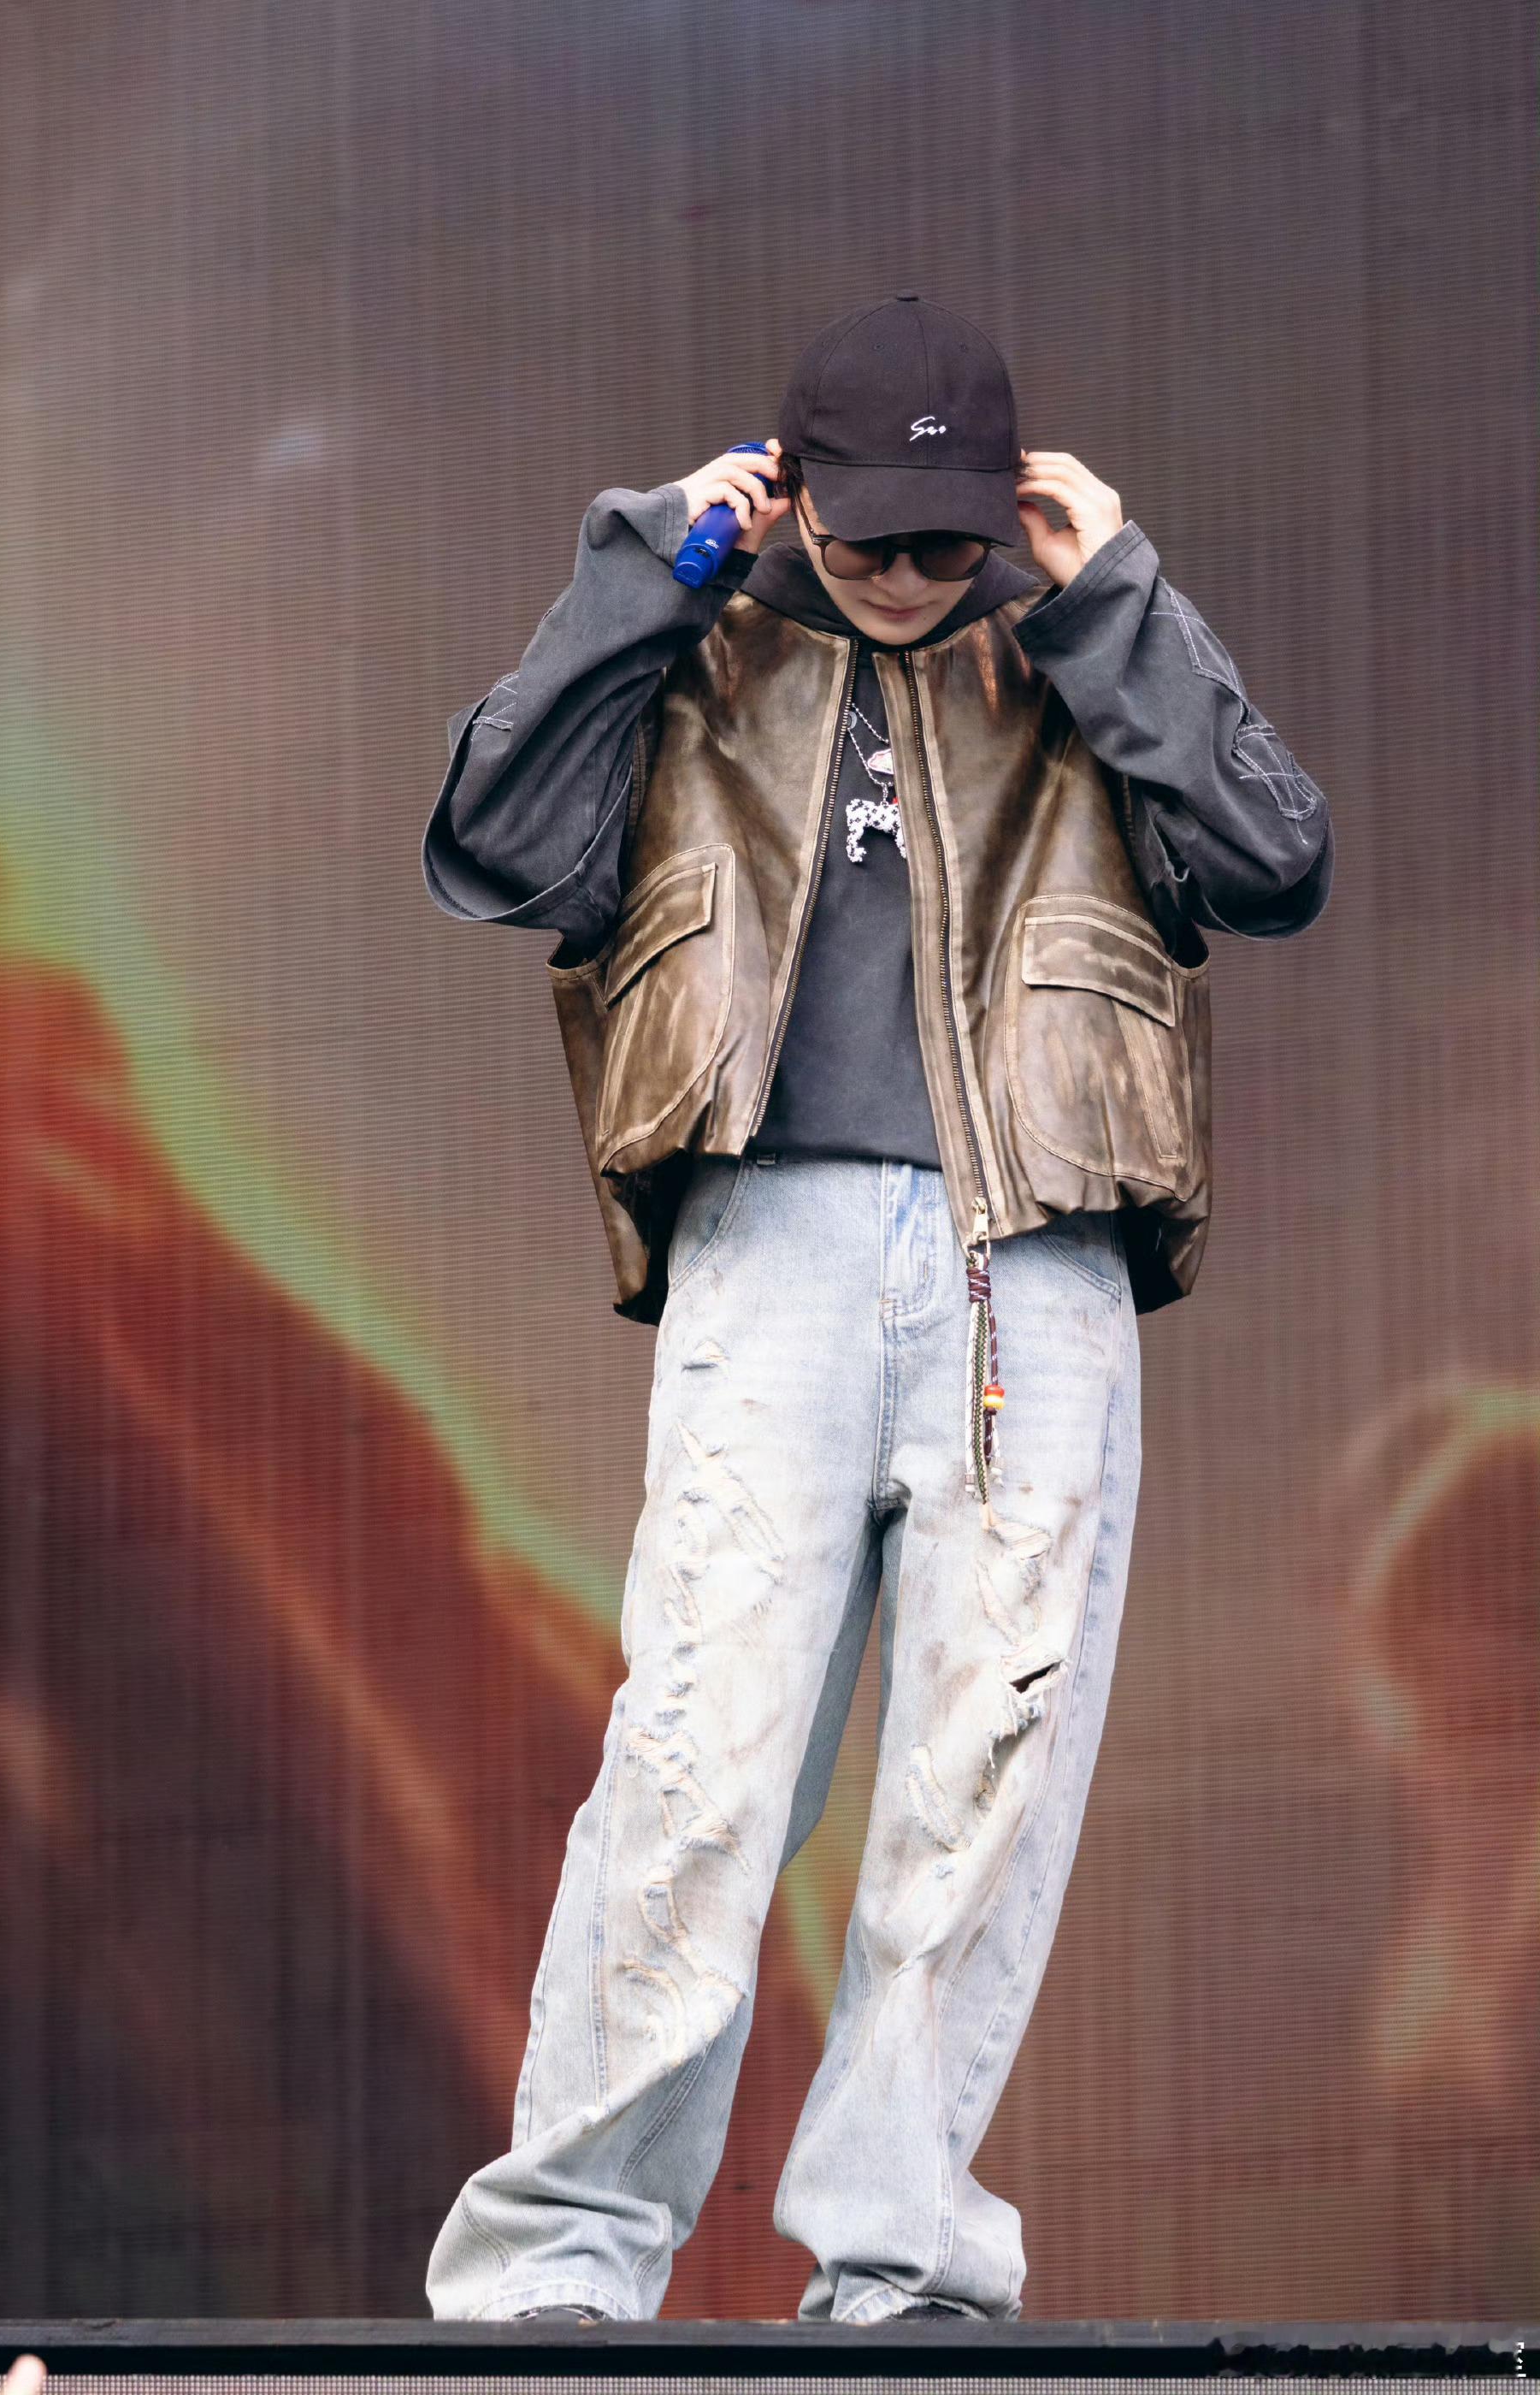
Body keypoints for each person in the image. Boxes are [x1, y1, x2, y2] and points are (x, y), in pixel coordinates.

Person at [418, 293, 1333, 2324]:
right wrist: (636, 574)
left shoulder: (1073, 650)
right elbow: (488, 847)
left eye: (946, 538)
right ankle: (560, 2262)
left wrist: (1121, 598)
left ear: (1005, 508)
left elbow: (1274, 861)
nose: (909, 573)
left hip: (1037, 1253)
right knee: (696, 1756)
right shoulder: (699, 651)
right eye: (867, 536)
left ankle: (902, 2264)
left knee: (983, 1774)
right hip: (774, 1246)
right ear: (793, 494)